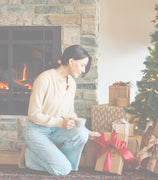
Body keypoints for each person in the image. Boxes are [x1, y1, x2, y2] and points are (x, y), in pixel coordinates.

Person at [18, 45, 101, 176]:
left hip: (55, 131)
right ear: (71, 61)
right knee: (62, 169)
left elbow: (70, 113)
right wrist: (59, 123)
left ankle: (63, 163)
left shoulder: (72, 83)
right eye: (82, 65)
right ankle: (30, 156)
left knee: (81, 134)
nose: (83, 70)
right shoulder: (45, 79)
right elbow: (33, 114)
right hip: (37, 131)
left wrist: (87, 132)